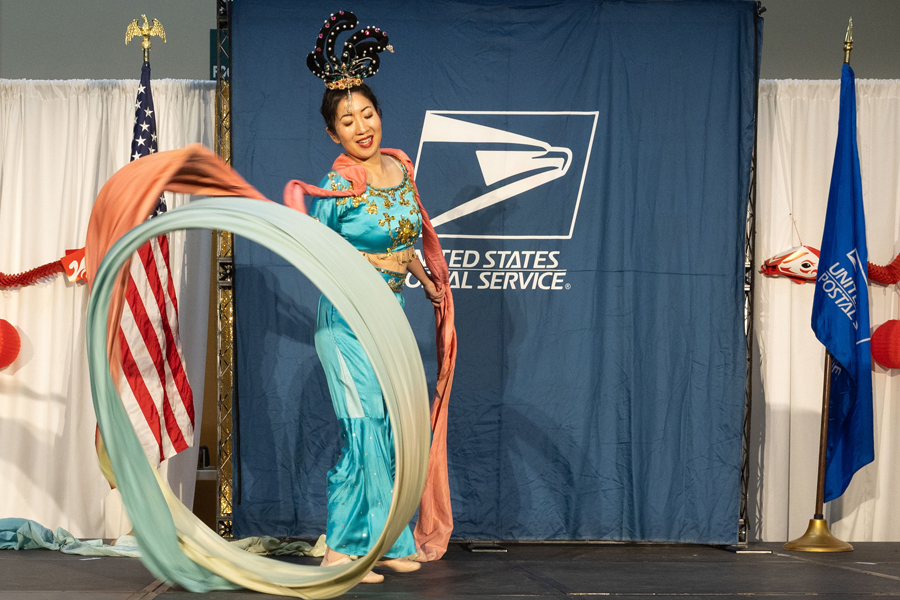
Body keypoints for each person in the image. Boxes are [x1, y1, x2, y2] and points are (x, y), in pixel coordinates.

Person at [295, 12, 451, 583]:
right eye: (347, 120)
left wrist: (424, 275)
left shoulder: (401, 169)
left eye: (367, 114)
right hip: (345, 324)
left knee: (387, 427)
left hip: (390, 317)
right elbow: (319, 255)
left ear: (380, 116)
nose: (361, 127)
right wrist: (373, 266)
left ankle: (387, 540)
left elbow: (405, 234)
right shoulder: (337, 184)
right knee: (361, 427)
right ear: (332, 133)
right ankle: (343, 548)